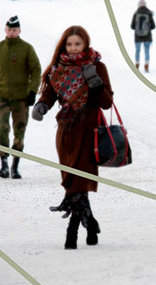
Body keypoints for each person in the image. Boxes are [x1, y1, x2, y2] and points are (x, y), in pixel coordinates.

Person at [31, 26, 114, 249]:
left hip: (88, 131)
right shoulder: (58, 69)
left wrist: (94, 82)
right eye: (69, 44)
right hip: (66, 132)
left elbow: (106, 102)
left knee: (77, 183)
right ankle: (91, 222)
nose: (73, 48)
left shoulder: (97, 66)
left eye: (77, 44)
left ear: (85, 43)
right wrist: (41, 106)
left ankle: (72, 232)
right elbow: (49, 93)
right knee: (72, 181)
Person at [0, 16, 42, 179]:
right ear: (5, 30)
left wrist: (32, 91)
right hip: (2, 97)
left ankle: (15, 165)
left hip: (21, 98)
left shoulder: (27, 49)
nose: (12, 33)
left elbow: (36, 70)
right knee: (2, 129)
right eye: (9, 30)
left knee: (19, 131)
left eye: (15, 30)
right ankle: (4, 164)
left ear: (19, 30)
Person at [131, 0, 155, 72]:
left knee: (137, 50)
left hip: (137, 36)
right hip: (147, 35)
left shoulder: (136, 13)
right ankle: (146, 65)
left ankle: (137, 65)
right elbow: (153, 26)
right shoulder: (149, 13)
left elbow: (132, 26)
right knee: (147, 50)